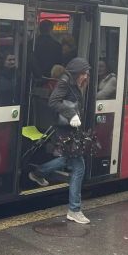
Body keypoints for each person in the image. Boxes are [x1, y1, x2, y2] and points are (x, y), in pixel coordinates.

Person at [28, 58, 92, 224]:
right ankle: (74, 209)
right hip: (66, 131)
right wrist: (72, 115)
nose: (86, 76)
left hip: (71, 130)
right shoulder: (65, 82)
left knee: (67, 159)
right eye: (84, 73)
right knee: (79, 167)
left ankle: (38, 173)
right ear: (77, 72)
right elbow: (53, 101)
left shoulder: (73, 82)